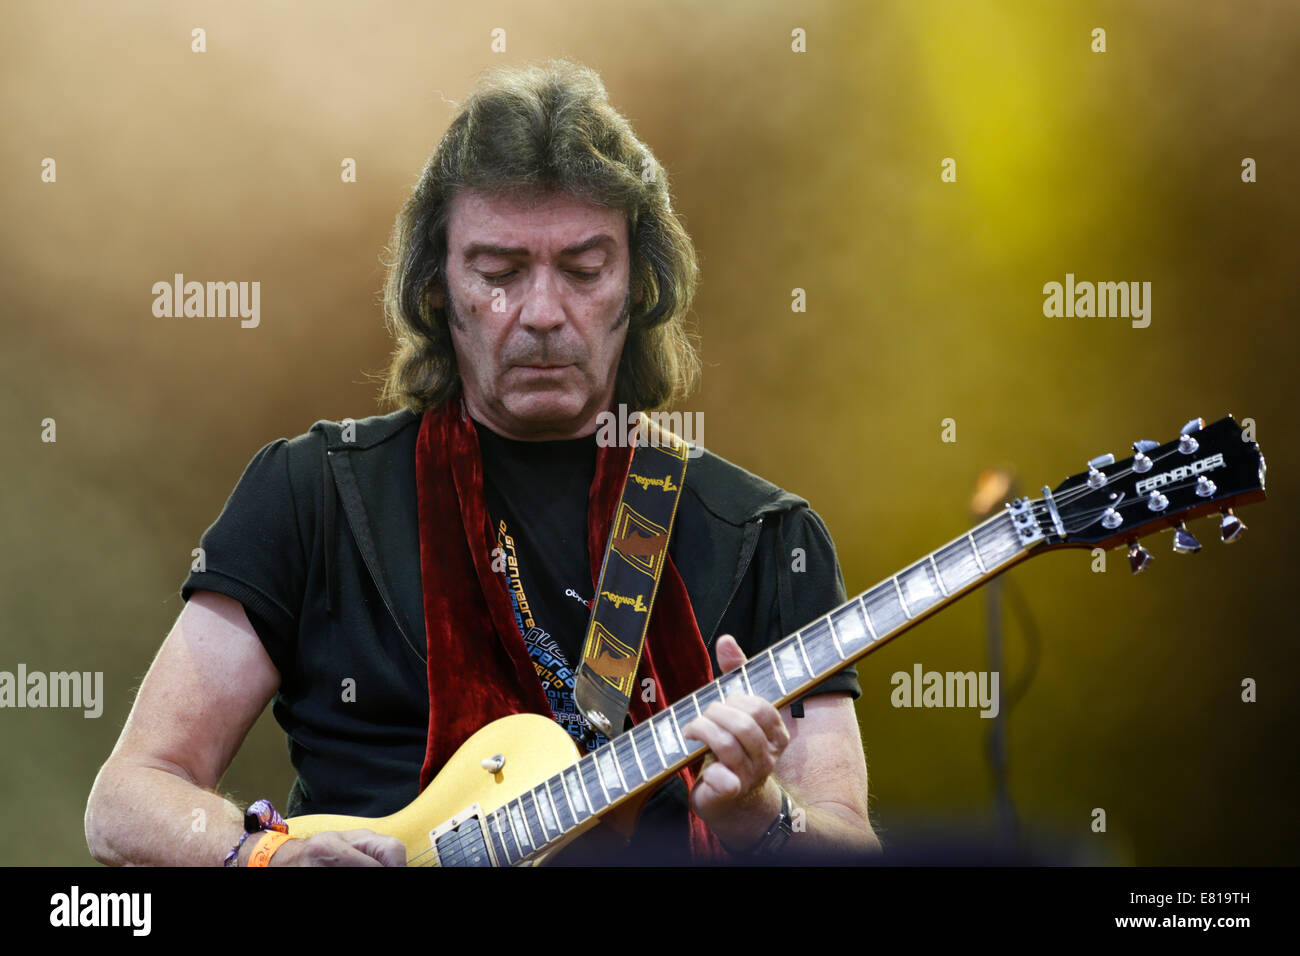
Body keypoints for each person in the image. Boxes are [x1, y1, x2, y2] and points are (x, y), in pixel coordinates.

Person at [84, 58, 880, 866]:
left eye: (583, 270)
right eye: (498, 273)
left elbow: (852, 846)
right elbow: (129, 795)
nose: (540, 313)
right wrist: (257, 857)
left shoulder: (765, 537)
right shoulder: (313, 493)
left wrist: (761, 815)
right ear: (437, 287)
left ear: (639, 284)